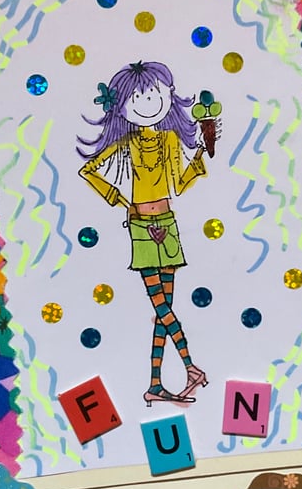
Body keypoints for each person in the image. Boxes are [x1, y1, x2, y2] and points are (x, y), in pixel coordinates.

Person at [77, 61, 209, 406]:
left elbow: (177, 185)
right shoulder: (126, 143)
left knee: (163, 312)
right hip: (142, 229)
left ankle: (155, 385)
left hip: (168, 224)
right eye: (137, 97)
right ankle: (191, 368)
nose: (148, 102)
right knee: (162, 307)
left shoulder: (169, 140)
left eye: (155, 94)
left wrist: (197, 164)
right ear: (122, 106)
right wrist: (119, 199)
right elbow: (88, 170)